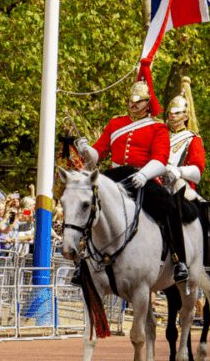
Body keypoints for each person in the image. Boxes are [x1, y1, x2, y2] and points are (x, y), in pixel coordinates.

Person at [76, 80, 189, 283]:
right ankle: (82, 260)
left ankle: (178, 259)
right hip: (115, 176)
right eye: (130, 101)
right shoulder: (115, 123)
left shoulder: (158, 127)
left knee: (170, 208)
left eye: (138, 101)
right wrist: (85, 150)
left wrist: (144, 175)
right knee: (86, 202)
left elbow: (161, 160)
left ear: (148, 103)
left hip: (142, 177)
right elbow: (98, 154)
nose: (133, 104)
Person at [163, 76, 206, 201]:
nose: (172, 116)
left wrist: (179, 171)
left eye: (177, 113)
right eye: (170, 113)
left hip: (180, 187)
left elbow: (197, 171)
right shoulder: (160, 135)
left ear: (186, 116)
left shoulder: (193, 139)